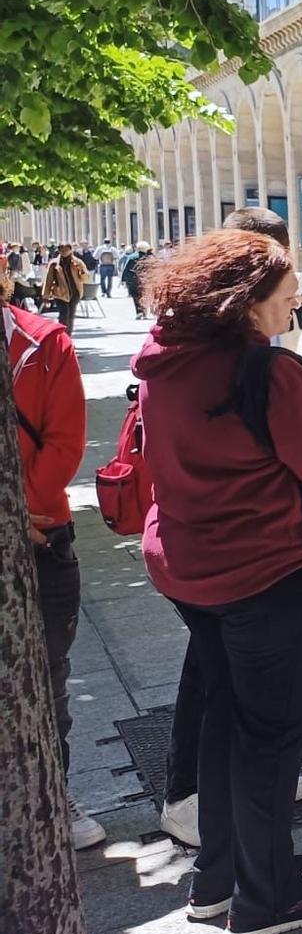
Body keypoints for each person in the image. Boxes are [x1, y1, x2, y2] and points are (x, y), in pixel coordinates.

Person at [136, 230, 302, 934]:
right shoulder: (265, 372)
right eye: (287, 299)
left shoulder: (168, 363)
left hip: (191, 568)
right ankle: (268, 897)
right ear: (246, 302)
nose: (295, 309)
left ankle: (219, 879)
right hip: (270, 571)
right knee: (271, 737)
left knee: (226, 720)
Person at [6, 268, 95, 847]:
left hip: (43, 533)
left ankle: (52, 791)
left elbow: (65, 438)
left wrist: (22, 515)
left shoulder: (44, 341)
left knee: (50, 672)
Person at [40, 243, 89, 330]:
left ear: (71, 250)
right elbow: (48, 280)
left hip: (74, 293)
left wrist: (81, 271)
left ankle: (68, 335)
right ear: (58, 251)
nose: (64, 252)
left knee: (71, 315)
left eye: (66, 250)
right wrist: (45, 295)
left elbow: (85, 278)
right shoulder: (54, 264)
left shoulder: (77, 262)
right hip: (60, 293)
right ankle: (62, 334)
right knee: (63, 315)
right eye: (61, 250)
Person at [124, 241, 154, 315]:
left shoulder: (131, 257)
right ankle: (145, 310)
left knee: (136, 296)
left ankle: (139, 312)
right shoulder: (150, 257)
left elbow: (126, 269)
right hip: (147, 280)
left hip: (133, 280)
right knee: (145, 295)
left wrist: (124, 279)